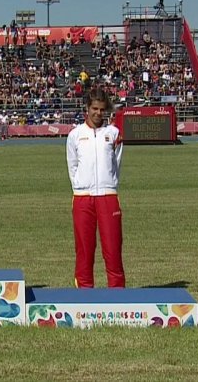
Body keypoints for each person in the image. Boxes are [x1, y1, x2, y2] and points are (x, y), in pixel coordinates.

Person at [66, 88, 125, 288]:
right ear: (87, 108)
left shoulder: (114, 133)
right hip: (83, 197)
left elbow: (116, 164)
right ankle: (84, 295)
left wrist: (109, 184)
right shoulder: (75, 135)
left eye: (101, 109)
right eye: (94, 109)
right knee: (84, 249)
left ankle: (118, 296)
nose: (98, 113)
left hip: (108, 196)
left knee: (113, 248)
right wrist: (81, 186)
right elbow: (72, 166)